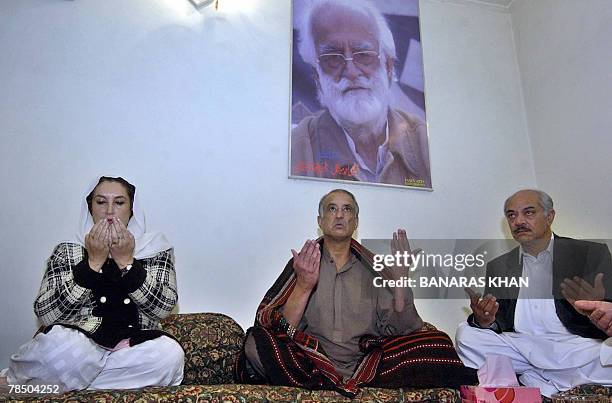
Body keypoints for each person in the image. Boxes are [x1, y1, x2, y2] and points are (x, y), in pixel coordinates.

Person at [235, 189, 476, 397]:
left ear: (356, 221)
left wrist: (400, 283)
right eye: (332, 209)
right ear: (320, 220)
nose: (339, 215)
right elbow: (280, 328)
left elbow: (404, 330)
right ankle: (322, 380)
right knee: (256, 342)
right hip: (310, 362)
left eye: (347, 209)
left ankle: (331, 383)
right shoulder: (304, 263)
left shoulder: (374, 269)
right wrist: (304, 285)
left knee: (439, 342)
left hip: (365, 366)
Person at [0, 176, 184, 392]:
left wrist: (127, 262)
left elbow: (163, 309)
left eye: (119, 202)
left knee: (169, 356)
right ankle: (66, 377)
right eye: (101, 202)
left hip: (132, 347)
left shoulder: (156, 249)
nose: (109, 211)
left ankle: (54, 384)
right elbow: (47, 314)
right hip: (80, 342)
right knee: (67, 350)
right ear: (90, 208)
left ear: (131, 209)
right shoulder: (67, 250)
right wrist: (92, 263)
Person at [456, 189, 612, 397]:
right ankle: (544, 374)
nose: (519, 221)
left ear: (549, 217)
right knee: (466, 334)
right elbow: (499, 324)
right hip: (525, 347)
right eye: (512, 215)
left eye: (528, 213)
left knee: (605, 352)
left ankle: (535, 377)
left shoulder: (589, 253)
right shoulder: (499, 266)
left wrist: (599, 303)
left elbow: (608, 315)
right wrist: (485, 321)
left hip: (578, 347)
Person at [290, 0, 431, 188]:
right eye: (332, 58)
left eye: (363, 54)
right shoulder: (297, 149)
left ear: (388, 66)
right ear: (317, 78)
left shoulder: (425, 142)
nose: (351, 71)